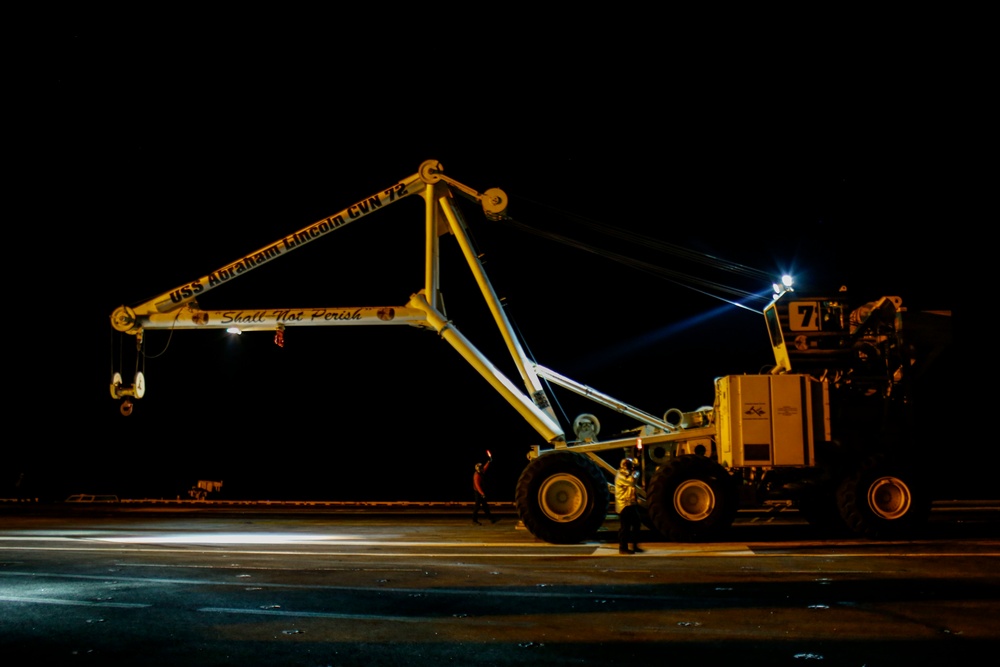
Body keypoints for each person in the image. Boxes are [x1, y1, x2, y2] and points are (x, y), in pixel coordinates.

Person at [615, 457, 643, 554]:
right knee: (625, 527)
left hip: (631, 504)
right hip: (624, 505)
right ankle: (623, 548)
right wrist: (636, 472)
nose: (632, 468)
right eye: (630, 466)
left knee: (636, 524)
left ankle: (634, 545)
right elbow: (631, 481)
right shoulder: (620, 475)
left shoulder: (626, 473)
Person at [472, 455, 498, 525]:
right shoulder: (476, 476)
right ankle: (474, 520)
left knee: (485, 506)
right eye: (481, 468)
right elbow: (477, 486)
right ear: (478, 469)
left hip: (481, 492)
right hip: (478, 492)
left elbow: (485, 467)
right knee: (477, 506)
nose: (483, 468)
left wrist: (489, 461)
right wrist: (482, 494)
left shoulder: (481, 471)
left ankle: (490, 518)